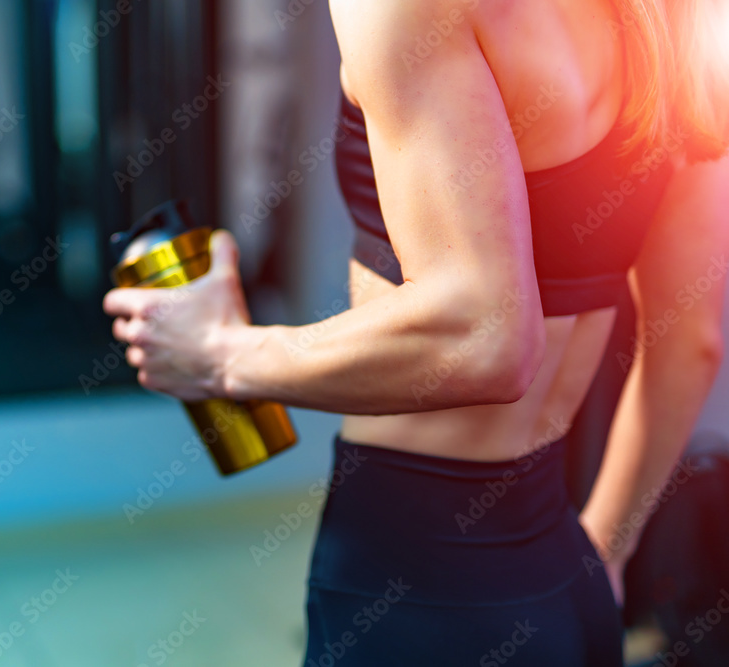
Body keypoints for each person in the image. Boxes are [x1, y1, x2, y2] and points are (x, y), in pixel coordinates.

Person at [103, 0, 729, 663]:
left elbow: (485, 337)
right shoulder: (680, 19)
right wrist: (607, 547)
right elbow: (690, 342)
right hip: (566, 575)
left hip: (416, 590)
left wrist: (225, 356)